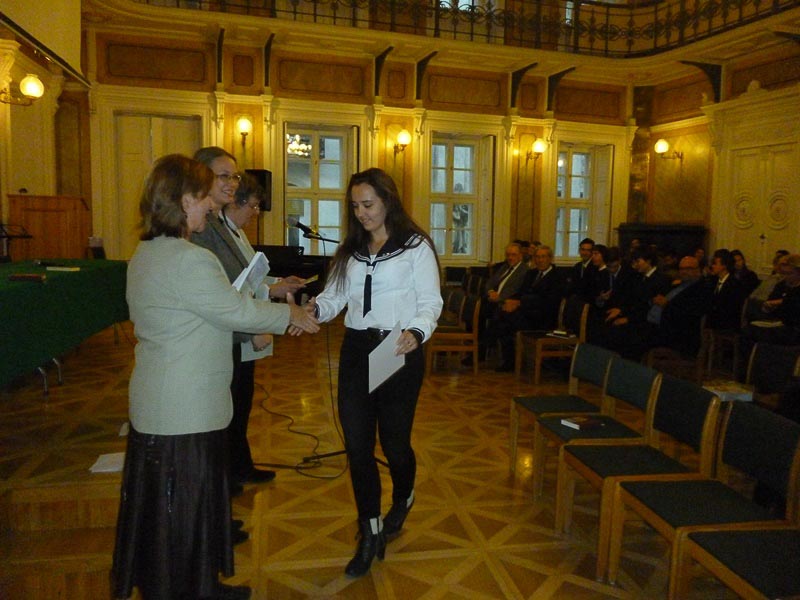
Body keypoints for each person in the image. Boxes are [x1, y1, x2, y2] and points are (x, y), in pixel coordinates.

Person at [112, 154, 319, 600]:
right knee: (183, 511)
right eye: (203, 195)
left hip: (164, 404)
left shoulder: (146, 253)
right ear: (184, 200)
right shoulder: (188, 260)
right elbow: (234, 310)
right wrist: (292, 315)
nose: (210, 204)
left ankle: (200, 585)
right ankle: (187, 590)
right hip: (183, 410)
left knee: (184, 510)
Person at [306, 168, 442, 578]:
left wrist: (417, 332)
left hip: (397, 349)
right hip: (357, 350)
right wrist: (315, 309)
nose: (361, 213)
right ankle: (370, 530)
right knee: (358, 447)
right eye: (355, 206)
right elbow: (335, 297)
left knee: (395, 445)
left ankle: (404, 496)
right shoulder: (350, 250)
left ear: (388, 201)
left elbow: (430, 302)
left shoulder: (415, 247)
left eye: (368, 204)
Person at [191, 147, 303, 493]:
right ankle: (225, 482)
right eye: (224, 176)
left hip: (234, 330)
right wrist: (261, 324)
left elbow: (240, 279)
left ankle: (237, 469)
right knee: (224, 412)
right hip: (220, 335)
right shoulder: (201, 227)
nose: (232, 183)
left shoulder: (216, 222)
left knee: (238, 407)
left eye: (234, 176)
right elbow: (223, 293)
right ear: (200, 178)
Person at [484, 245, 565, 372]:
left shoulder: (557, 276)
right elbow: (521, 292)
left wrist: (519, 303)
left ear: (550, 258)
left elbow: (548, 301)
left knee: (503, 319)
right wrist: (511, 301)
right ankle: (508, 360)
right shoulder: (532, 273)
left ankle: (489, 348)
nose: (540, 260)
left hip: (543, 317)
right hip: (526, 312)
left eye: (543, 257)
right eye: (537, 257)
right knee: (504, 315)